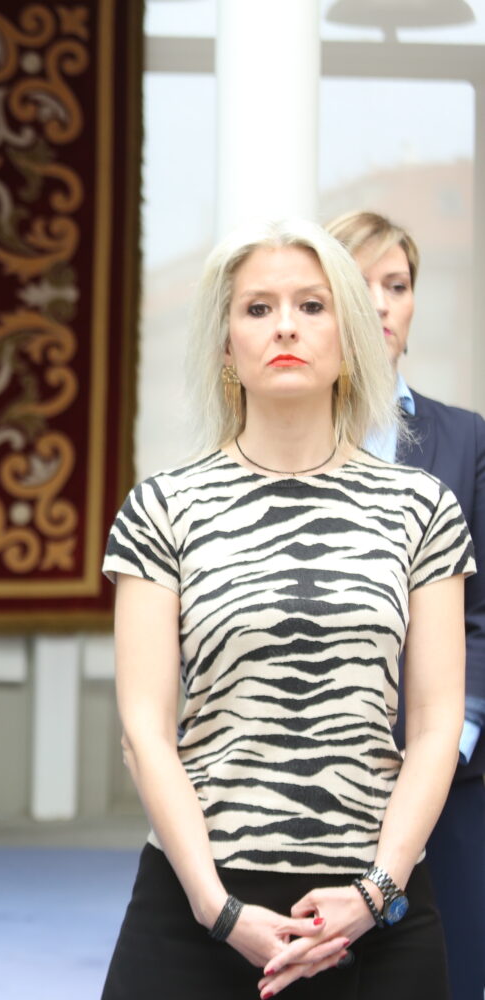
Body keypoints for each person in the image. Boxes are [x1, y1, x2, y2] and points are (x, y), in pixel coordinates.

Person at [100, 219, 472, 999]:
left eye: (312, 305)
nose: (287, 327)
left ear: (349, 335)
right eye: (258, 308)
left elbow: (437, 725)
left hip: (378, 904)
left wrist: (375, 895)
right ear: (226, 346)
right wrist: (218, 908)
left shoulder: (422, 506)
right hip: (197, 899)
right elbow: (145, 729)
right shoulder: (161, 507)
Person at [327, 209, 485, 1000]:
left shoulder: (465, 443)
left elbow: (482, 619)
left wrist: (445, 740)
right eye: (362, 285)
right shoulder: (277, 446)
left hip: (448, 784)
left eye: (399, 285)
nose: (383, 304)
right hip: (311, 774)